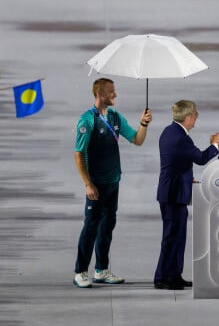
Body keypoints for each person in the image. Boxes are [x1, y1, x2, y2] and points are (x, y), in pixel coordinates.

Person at [73, 78, 152, 289]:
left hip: (113, 181)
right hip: (96, 184)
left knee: (107, 226)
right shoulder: (87, 120)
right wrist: (87, 183)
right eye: (111, 92)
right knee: (91, 227)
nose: (115, 95)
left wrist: (143, 124)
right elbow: (79, 155)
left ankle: (101, 270)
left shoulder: (116, 117)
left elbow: (137, 140)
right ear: (100, 94)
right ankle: (80, 271)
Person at [154, 100, 219, 290]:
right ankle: (163, 277)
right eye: (195, 115)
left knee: (177, 236)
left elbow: (178, 161)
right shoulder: (181, 138)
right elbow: (200, 159)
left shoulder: (169, 131)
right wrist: (216, 146)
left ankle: (174, 274)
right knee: (172, 236)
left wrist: (187, 178)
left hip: (173, 191)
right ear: (188, 117)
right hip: (173, 194)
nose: (196, 119)